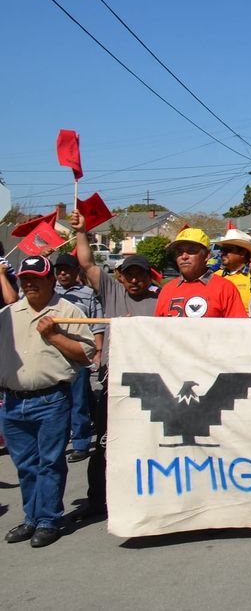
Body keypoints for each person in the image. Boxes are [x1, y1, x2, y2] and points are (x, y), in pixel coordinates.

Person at [67, 210, 158, 521]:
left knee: (144, 443)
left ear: (150, 277)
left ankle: (142, 495)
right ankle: (97, 501)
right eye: (128, 274)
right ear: (120, 276)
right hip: (113, 380)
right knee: (104, 444)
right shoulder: (112, 291)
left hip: (147, 382)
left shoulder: (159, 301)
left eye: (140, 275)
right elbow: (87, 264)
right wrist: (81, 232)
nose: (134, 280)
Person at [0, 255, 96, 548]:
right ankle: (32, 518)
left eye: (36, 278)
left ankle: (48, 519)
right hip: (13, 402)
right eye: (24, 278)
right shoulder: (7, 314)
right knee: (26, 465)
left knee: (50, 463)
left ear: (50, 280)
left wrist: (54, 335)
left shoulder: (68, 311)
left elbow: (85, 355)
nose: (29, 283)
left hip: (51, 399)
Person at [53, 253, 104, 463]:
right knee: (55, 405)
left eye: (67, 269)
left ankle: (81, 443)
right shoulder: (49, 293)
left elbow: (97, 324)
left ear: (76, 271)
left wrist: (98, 353)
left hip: (79, 356)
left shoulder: (88, 294)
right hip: (53, 358)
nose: (62, 273)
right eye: (59, 270)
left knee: (79, 402)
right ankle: (57, 444)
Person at [155, 228, 247, 319]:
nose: (184, 256)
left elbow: (239, 329)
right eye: (179, 252)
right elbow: (156, 328)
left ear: (207, 255)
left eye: (191, 251)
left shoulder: (225, 288)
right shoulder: (167, 290)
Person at [213, 227, 251, 314]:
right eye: (222, 250)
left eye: (227, 250)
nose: (222, 253)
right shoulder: (215, 276)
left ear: (243, 253)